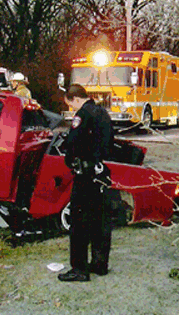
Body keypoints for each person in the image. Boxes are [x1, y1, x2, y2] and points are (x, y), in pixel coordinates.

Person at [58, 84, 113, 282]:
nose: (72, 109)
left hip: (85, 175)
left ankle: (79, 268)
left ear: (75, 99)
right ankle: (99, 264)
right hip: (101, 174)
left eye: (70, 105)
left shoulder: (82, 115)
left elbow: (73, 143)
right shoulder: (102, 113)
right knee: (100, 221)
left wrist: (69, 161)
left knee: (79, 222)